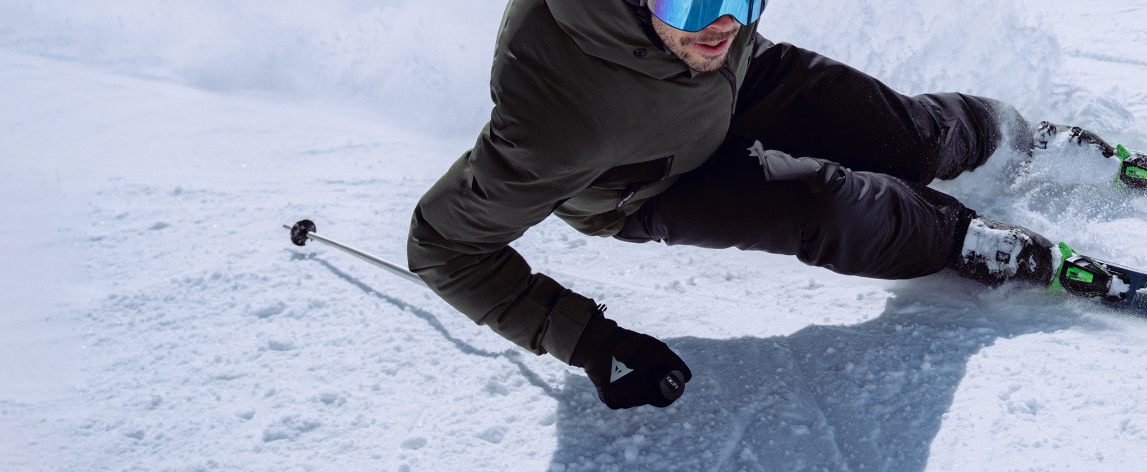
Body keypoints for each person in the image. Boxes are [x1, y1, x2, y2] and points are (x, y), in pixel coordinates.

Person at [408, 0, 1103, 410]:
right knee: (833, 207)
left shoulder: (721, 33)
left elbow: (716, 26)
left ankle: (1011, 134)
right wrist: (589, 341)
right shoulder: (557, 122)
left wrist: (719, 30)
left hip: (729, 85)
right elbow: (443, 245)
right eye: (687, 1)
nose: (718, 20)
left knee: (912, 141)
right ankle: (961, 240)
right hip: (650, 181)